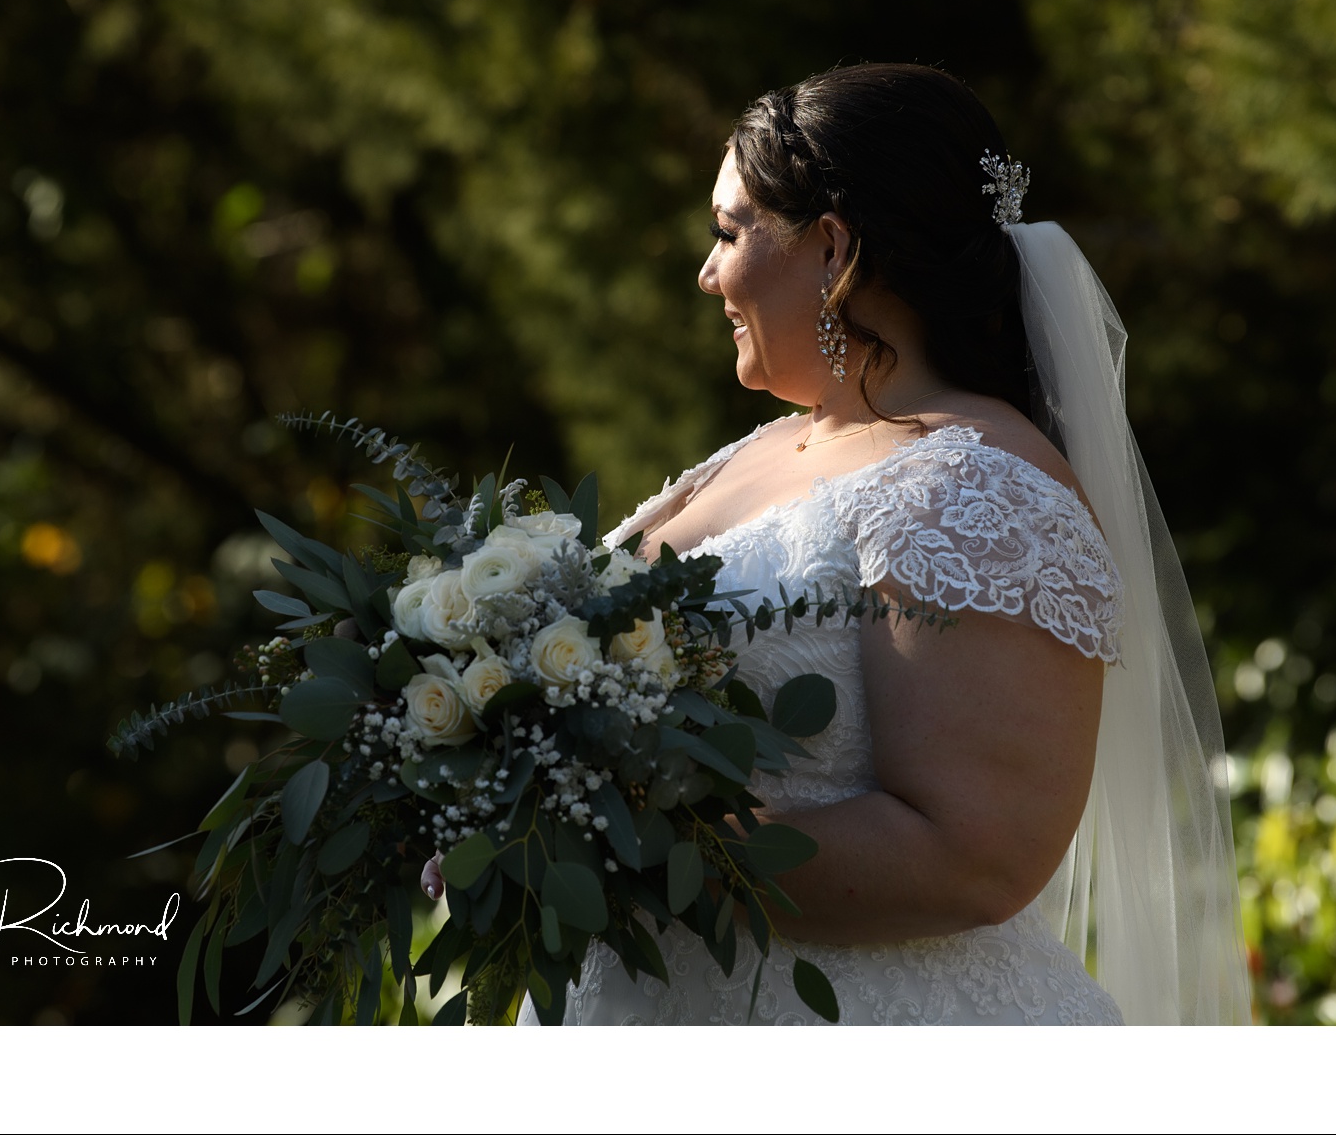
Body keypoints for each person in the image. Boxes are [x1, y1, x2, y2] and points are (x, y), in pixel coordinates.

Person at [533, 63, 1250, 1025]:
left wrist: (615, 843)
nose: (707, 273)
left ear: (832, 249)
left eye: (728, 233)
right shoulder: (769, 448)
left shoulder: (973, 486)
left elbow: (973, 855)